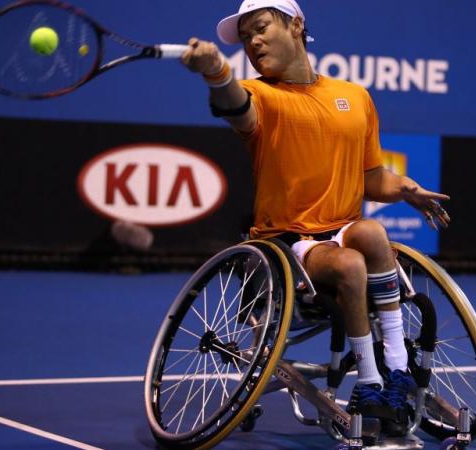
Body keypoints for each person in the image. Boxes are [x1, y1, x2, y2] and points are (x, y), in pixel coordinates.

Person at [181, 0, 451, 437]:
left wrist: (406, 189)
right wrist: (216, 71)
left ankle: (398, 368)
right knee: (349, 263)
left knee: (372, 232)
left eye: (261, 27)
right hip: (287, 246)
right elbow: (234, 106)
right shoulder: (261, 96)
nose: (253, 41)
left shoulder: (355, 97)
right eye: (246, 36)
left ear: (297, 25)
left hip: (344, 231)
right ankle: (369, 382)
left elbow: (371, 177)